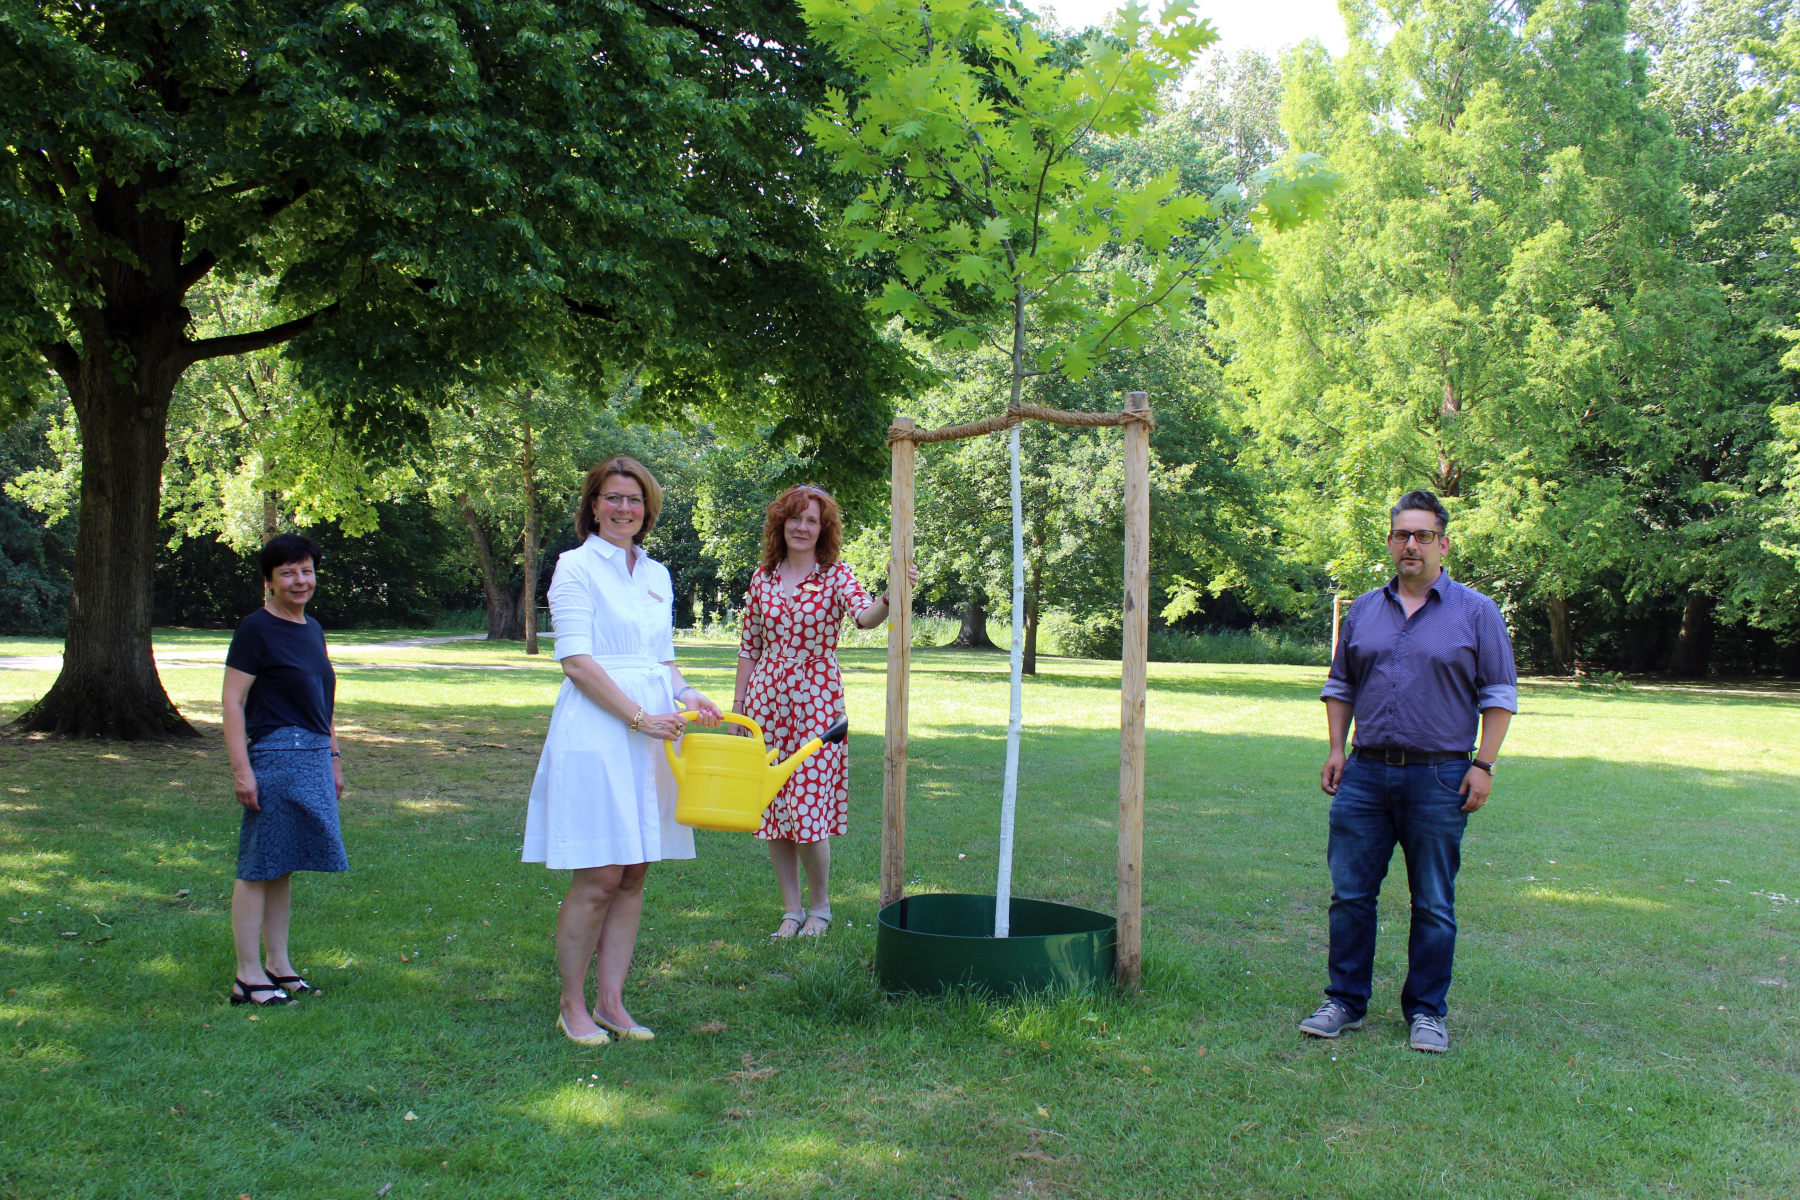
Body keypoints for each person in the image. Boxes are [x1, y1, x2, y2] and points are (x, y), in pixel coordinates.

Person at [1300, 490, 1517, 1053]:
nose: (1411, 545)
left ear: (1443, 544)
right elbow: (1341, 685)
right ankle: (1344, 1001)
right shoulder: (1364, 611)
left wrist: (1484, 764)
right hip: (1365, 775)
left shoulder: (1477, 612)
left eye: (1423, 536)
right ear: (1391, 542)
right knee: (1350, 896)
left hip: (1440, 777)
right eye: (1402, 535)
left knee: (1434, 903)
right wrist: (1335, 748)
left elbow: (1498, 693)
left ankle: (1426, 1012)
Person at [524, 456, 722, 1046]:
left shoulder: (658, 574)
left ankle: (612, 1002)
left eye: (634, 500)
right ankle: (572, 1004)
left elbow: (661, 660)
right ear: (593, 505)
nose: (623, 509)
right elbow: (577, 662)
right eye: (612, 498)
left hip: (656, 728)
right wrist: (638, 717)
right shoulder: (575, 566)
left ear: (647, 510)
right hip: (601, 730)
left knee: (635, 870)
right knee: (601, 872)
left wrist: (687, 693)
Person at [734, 484, 913, 940]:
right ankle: (790, 911)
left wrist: (892, 596)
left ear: (823, 529)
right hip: (766, 703)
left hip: (816, 701)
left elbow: (864, 617)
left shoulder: (834, 575)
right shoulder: (763, 578)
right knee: (775, 809)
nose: (801, 526)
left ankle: (821, 907)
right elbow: (749, 647)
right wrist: (738, 712)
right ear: (782, 523)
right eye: (794, 518)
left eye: (811, 520)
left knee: (808, 810)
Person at [221, 534, 347, 1007]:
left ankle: (278, 964)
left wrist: (334, 756)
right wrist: (242, 770)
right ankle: (246, 975)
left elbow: (323, 701)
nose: (301, 580)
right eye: (289, 572)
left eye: (307, 570)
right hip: (275, 756)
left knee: (283, 865)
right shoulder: (256, 629)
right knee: (258, 866)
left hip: (313, 756)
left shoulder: (311, 628)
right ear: (270, 581)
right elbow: (233, 702)